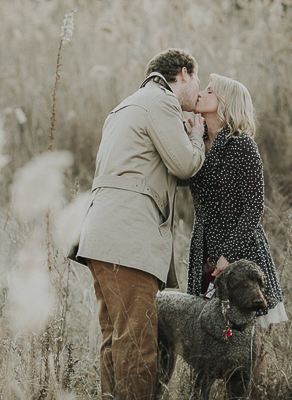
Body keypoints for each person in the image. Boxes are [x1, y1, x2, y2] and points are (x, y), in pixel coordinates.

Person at [69, 49, 205, 399]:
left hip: (100, 237)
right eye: (198, 81)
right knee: (139, 345)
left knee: (116, 339)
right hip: (127, 241)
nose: (199, 92)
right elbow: (186, 165)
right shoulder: (160, 103)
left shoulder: (125, 106)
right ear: (184, 74)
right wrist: (197, 135)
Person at [187, 73, 288, 396]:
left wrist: (227, 257)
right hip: (203, 248)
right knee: (207, 332)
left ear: (226, 102)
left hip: (241, 251)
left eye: (210, 90)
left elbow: (254, 208)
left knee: (249, 341)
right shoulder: (198, 142)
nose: (201, 93)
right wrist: (192, 136)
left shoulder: (241, 144)